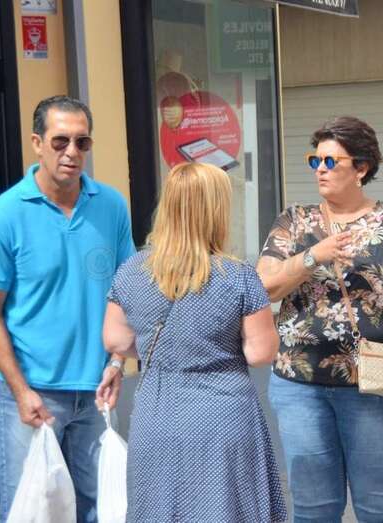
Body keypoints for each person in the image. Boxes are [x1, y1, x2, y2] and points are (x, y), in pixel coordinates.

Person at [257, 115, 383, 523]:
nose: (321, 171)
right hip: (302, 385)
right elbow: (265, 287)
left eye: (332, 162)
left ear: (362, 168)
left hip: (379, 385)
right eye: (316, 161)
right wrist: (315, 255)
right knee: (314, 510)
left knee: (380, 508)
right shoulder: (294, 221)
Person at [0, 95, 136, 523]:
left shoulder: (111, 207)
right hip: (31, 395)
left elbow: (129, 292)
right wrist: (21, 391)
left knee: (104, 511)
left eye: (82, 143)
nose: (72, 153)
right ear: (36, 143)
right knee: (33, 512)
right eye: (61, 141)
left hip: (98, 392)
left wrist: (118, 361)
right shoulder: (3, 217)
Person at [100, 162, 287, 522]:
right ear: (216, 210)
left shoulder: (131, 271)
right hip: (223, 416)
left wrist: (170, 348)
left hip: (157, 417)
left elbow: (117, 340)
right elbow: (260, 352)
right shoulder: (239, 276)